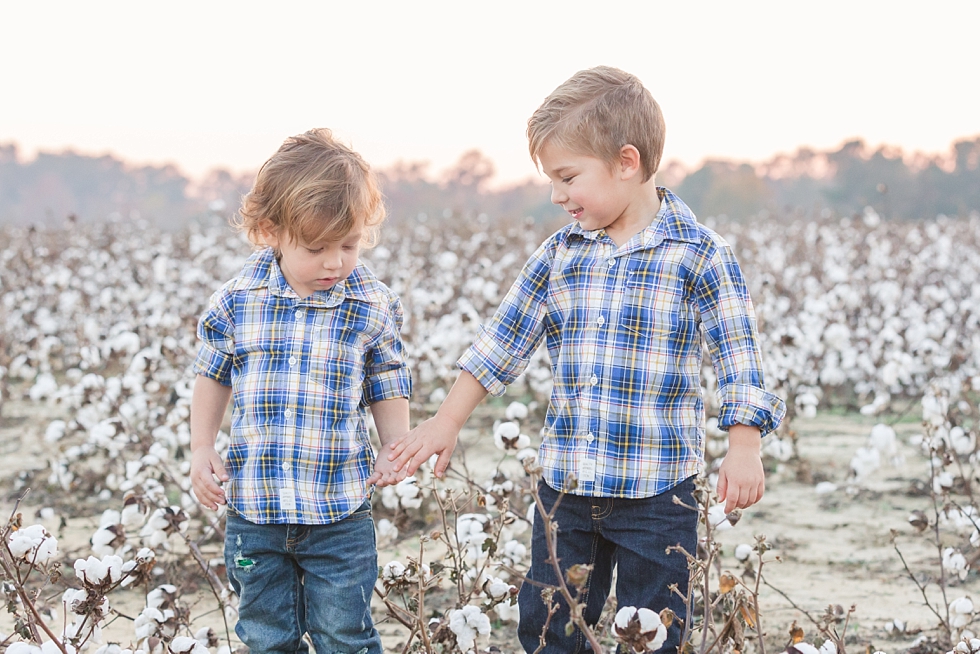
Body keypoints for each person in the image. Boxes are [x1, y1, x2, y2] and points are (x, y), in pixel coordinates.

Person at [385, 66, 786, 652]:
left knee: (653, 634)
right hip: (565, 490)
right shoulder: (559, 254)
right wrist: (447, 421)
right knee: (549, 627)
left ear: (627, 162)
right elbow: (502, 341)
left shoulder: (700, 255)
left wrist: (744, 445)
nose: (556, 195)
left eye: (568, 177)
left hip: (658, 493)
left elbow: (738, 357)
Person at [189, 128, 411, 654]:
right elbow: (211, 375)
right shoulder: (237, 301)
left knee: (345, 635)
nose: (334, 262)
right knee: (266, 635)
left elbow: (387, 380)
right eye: (316, 248)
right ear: (271, 231)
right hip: (255, 510)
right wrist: (201, 447)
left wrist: (394, 445)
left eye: (349, 245)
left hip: (339, 513)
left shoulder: (371, 305)